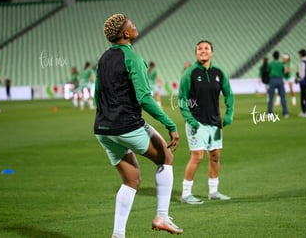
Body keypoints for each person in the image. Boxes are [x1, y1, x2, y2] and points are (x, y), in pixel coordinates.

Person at [94, 13, 183, 238]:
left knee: (131, 180)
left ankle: (118, 235)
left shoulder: (103, 59)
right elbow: (144, 98)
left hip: (103, 129)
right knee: (166, 158)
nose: (135, 26)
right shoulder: (133, 58)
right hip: (127, 126)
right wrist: (169, 123)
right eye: (131, 24)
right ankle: (162, 216)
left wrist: (107, 119)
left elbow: (97, 95)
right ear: (126, 33)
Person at [179, 40, 234, 205]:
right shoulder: (190, 73)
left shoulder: (219, 72)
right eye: (200, 49)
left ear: (212, 52)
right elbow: (182, 100)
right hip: (197, 122)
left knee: (215, 156)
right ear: (196, 53)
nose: (203, 51)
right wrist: (190, 120)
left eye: (206, 48)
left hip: (215, 123)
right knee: (197, 157)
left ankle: (213, 191)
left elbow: (229, 94)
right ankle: (186, 194)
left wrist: (229, 114)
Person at [267, 51, 288, 117]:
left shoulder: (270, 64)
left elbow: (268, 71)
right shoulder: (281, 64)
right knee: (282, 97)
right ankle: (285, 113)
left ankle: (270, 113)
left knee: (271, 97)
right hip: (280, 79)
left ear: (273, 56)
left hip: (273, 80)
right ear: (278, 56)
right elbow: (283, 71)